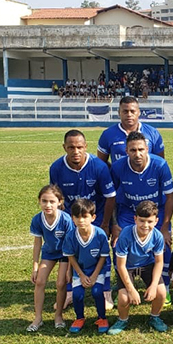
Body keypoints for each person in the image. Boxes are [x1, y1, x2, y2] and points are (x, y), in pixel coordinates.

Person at [49, 129, 116, 309]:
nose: (76, 151)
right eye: (71, 147)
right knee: (72, 252)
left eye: (79, 147)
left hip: (97, 215)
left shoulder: (99, 167)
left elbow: (110, 196)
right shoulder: (56, 168)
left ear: (86, 147)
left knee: (103, 251)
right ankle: (70, 291)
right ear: (64, 147)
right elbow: (58, 198)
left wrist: (105, 223)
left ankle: (106, 291)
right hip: (73, 218)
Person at [110, 131, 173, 290]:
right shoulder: (118, 167)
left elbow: (170, 195)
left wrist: (165, 226)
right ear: (126, 151)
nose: (137, 154)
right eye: (133, 150)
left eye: (141, 149)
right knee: (117, 244)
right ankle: (124, 286)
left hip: (155, 212)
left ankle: (164, 285)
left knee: (165, 245)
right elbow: (111, 197)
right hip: (128, 211)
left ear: (147, 149)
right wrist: (115, 224)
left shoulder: (159, 165)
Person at [108, 200, 168, 334]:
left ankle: (155, 317)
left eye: (150, 221)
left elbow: (159, 262)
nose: (145, 225)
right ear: (135, 219)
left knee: (161, 292)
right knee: (124, 298)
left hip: (147, 265)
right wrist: (131, 290)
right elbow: (120, 265)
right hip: (127, 267)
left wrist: (153, 286)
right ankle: (122, 319)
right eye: (141, 220)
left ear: (156, 221)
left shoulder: (157, 236)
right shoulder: (125, 235)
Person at [27, 184, 74, 332]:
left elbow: (71, 246)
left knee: (61, 283)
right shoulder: (37, 220)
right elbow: (37, 244)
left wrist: (70, 270)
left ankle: (58, 316)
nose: (48, 205)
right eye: (44, 201)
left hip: (65, 254)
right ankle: (38, 318)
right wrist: (35, 267)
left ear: (60, 202)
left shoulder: (66, 219)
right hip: (49, 253)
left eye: (52, 201)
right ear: (39, 201)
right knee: (40, 281)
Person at [62, 199, 110, 334]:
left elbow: (103, 257)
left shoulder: (100, 234)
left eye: (84, 216)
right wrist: (81, 275)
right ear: (72, 218)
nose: (80, 220)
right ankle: (79, 318)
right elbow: (71, 257)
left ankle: (102, 318)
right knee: (77, 295)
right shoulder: (71, 236)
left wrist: (94, 275)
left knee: (97, 292)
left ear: (93, 217)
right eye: (77, 217)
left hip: (97, 270)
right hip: (80, 271)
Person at [97, 95, 165, 166]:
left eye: (132, 111)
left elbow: (160, 162)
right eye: (125, 111)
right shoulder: (107, 134)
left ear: (138, 112)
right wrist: (114, 172)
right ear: (119, 113)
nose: (129, 114)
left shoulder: (153, 133)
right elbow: (101, 162)